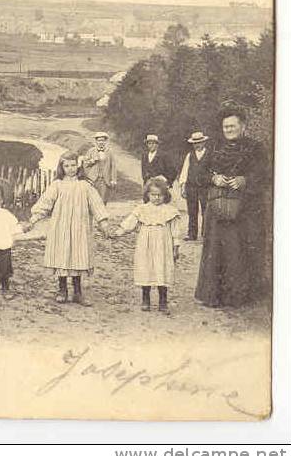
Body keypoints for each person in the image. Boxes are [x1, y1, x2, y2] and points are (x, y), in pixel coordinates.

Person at [194, 108, 265, 307]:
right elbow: (199, 175)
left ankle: (238, 298)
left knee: (237, 250)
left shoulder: (256, 148)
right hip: (217, 209)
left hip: (244, 210)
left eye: (232, 126)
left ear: (243, 126)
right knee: (215, 250)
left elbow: (266, 175)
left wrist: (244, 180)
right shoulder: (215, 146)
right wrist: (214, 178)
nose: (229, 129)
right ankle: (213, 296)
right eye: (225, 126)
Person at [29, 151, 111, 306]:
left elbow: (97, 205)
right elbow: (45, 204)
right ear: (61, 167)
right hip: (61, 227)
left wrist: (104, 224)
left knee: (77, 256)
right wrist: (33, 220)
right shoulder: (57, 185)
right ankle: (62, 290)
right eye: (66, 166)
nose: (70, 169)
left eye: (73, 165)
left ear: (78, 165)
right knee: (62, 256)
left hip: (80, 228)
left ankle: (78, 292)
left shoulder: (85, 185)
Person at [112, 177, 183, 314]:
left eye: (159, 195)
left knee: (162, 269)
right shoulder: (141, 209)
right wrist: (118, 232)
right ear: (147, 195)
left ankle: (163, 300)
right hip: (145, 244)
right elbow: (129, 223)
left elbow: (175, 232)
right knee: (146, 268)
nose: (156, 198)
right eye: (153, 195)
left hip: (163, 245)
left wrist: (176, 247)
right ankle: (146, 298)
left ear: (165, 195)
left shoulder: (170, 211)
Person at [178, 131, 211, 241]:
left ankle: (206, 234)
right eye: (195, 143)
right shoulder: (190, 155)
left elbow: (214, 172)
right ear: (192, 144)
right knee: (192, 211)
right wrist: (183, 186)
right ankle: (192, 234)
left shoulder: (210, 155)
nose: (197, 145)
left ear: (204, 142)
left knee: (206, 210)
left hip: (205, 187)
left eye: (200, 142)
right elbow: (185, 171)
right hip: (191, 187)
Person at [81, 131, 118, 203]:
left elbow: (113, 166)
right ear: (96, 141)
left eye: (103, 140)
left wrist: (113, 180)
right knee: (92, 199)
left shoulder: (109, 152)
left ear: (105, 142)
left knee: (103, 199)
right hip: (93, 179)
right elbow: (85, 164)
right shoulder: (91, 151)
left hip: (105, 180)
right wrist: (92, 160)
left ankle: (102, 213)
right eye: (99, 140)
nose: (101, 142)